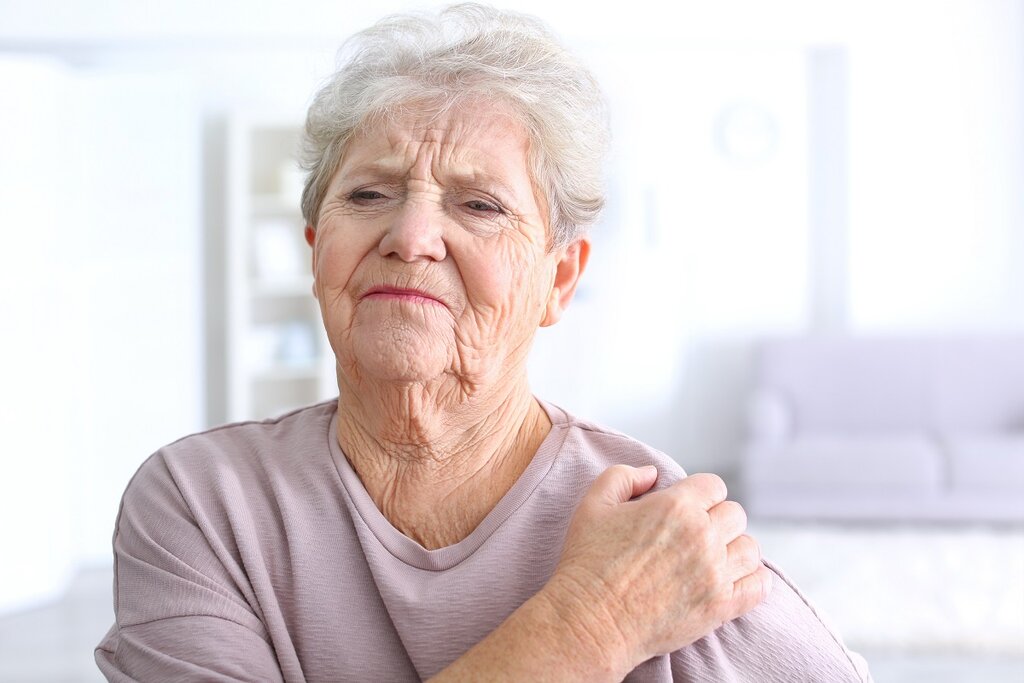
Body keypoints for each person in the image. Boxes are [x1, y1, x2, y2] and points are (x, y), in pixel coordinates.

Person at [96, 4, 872, 681]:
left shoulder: (649, 520)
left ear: (559, 280)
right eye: (368, 194)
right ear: (314, 247)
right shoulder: (200, 503)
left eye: (479, 204)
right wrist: (592, 622)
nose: (411, 236)